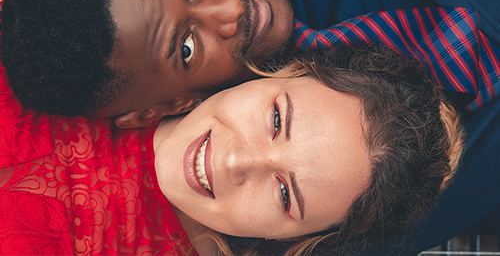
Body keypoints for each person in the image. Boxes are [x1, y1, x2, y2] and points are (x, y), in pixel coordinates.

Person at [0, 44, 465, 256]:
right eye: (277, 120)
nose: (236, 162)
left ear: (294, 242)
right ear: (284, 71)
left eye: (286, 196)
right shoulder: (116, 34)